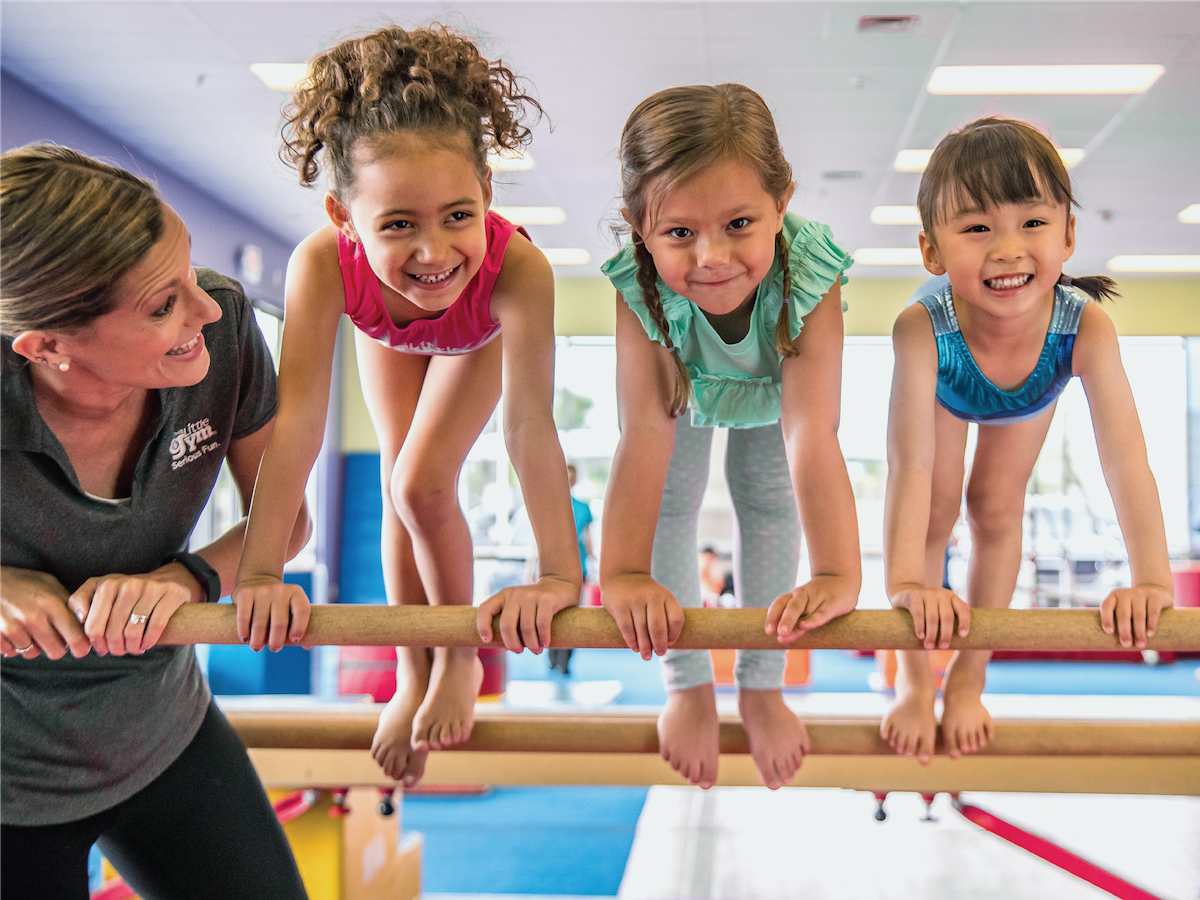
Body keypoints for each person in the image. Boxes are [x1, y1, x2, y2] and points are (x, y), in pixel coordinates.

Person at [234, 24, 582, 788]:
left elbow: (529, 428)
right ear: (342, 218)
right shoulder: (322, 265)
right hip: (383, 324)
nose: (433, 251)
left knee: (423, 485)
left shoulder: (514, 268)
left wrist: (560, 573)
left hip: (476, 328)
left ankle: (458, 660)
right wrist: (262, 570)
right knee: (396, 486)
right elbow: (298, 423)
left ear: (487, 195)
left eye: (458, 215)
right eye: (397, 224)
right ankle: (410, 671)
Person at [0, 145, 311, 898]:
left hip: (163, 734)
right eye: (162, 304)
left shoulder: (225, 327)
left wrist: (189, 577)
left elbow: (287, 523)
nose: (205, 306)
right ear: (47, 347)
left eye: (188, 273)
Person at [882, 117, 1174, 765]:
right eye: (978, 228)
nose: (1008, 249)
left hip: (1031, 386)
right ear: (932, 251)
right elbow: (908, 465)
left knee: (995, 507)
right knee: (935, 507)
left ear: (1069, 234)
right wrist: (906, 581)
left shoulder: (1085, 328)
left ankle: (967, 680)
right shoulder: (918, 328)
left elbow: (1127, 461)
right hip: (948, 382)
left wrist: (1151, 577)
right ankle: (908, 681)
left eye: (1033, 223)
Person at [598, 84, 862, 791]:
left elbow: (812, 431)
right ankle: (686, 686)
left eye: (739, 223)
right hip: (685, 384)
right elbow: (642, 435)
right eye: (679, 233)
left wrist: (837, 570)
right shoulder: (641, 287)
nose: (711, 257)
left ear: (782, 203)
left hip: (782, 385)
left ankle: (762, 684)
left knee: (768, 495)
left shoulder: (809, 271)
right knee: (674, 494)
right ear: (639, 227)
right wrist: (622, 573)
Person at [548, 464, 593, 676]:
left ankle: (565, 660)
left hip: (578, 566)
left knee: (572, 612)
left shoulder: (583, 508)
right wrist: (532, 565)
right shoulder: (549, 504)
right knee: (551, 612)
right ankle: (552, 656)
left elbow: (588, 538)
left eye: (571, 477)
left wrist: (595, 563)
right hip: (549, 566)